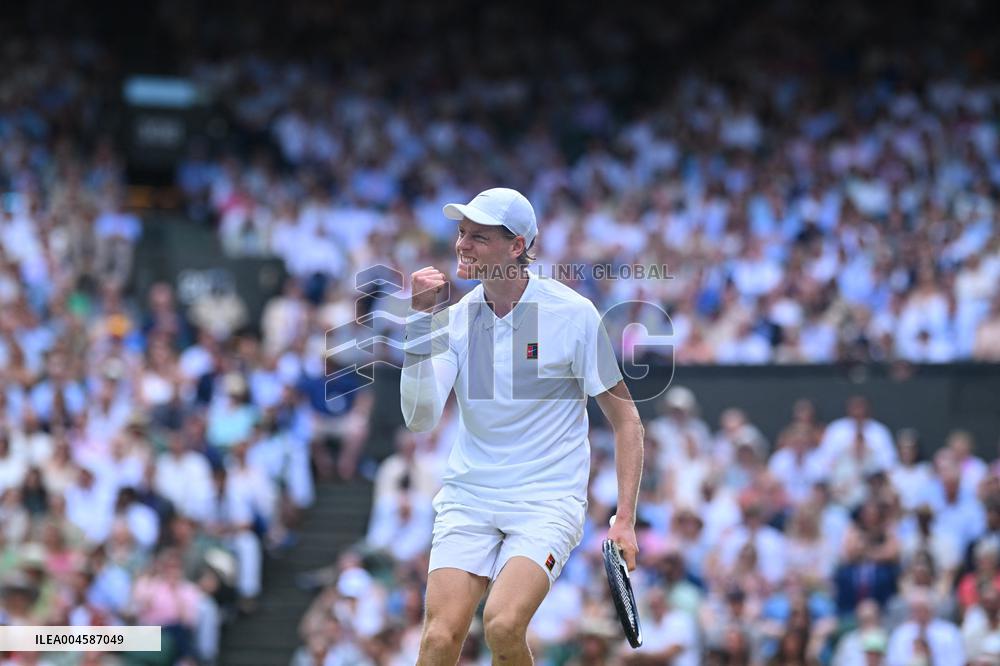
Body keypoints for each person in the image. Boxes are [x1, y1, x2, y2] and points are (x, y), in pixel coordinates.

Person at [400, 187, 644, 665]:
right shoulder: (451, 321)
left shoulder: (572, 315)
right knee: (437, 640)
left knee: (503, 624)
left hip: (546, 500)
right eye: (461, 234)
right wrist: (418, 323)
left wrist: (626, 521)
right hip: (470, 496)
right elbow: (419, 417)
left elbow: (627, 422)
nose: (462, 245)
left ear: (516, 247)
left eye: (479, 237)